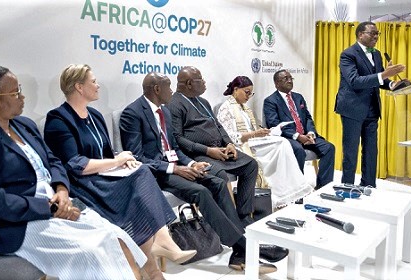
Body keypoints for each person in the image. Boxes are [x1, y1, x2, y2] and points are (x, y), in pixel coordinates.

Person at [0, 66, 147, 279]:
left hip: (59, 205)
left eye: (19, 89)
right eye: (15, 93)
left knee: (116, 236)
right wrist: (51, 207)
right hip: (21, 223)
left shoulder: (25, 125)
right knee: (90, 251)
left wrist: (62, 190)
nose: (23, 96)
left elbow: (54, 161)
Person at [120, 72, 287, 273]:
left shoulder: (164, 112)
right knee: (202, 192)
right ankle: (244, 247)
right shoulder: (133, 113)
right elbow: (137, 158)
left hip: (178, 166)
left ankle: (240, 246)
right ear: (157, 90)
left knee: (216, 183)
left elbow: (174, 149)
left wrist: (190, 164)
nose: (172, 90)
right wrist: (176, 168)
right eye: (168, 86)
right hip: (157, 174)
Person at [43, 64, 195, 280]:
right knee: (140, 186)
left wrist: (122, 159)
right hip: (83, 185)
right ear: (78, 87)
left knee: (140, 170)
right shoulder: (58, 119)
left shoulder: (94, 115)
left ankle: (153, 265)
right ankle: (156, 254)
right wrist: (115, 161)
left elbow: (106, 153)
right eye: (93, 81)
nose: (97, 86)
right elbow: (75, 165)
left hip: (106, 178)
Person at [166, 66, 259, 226]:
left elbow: (218, 126)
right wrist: (208, 150)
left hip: (220, 150)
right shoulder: (175, 104)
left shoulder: (203, 102)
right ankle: (231, 222)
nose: (204, 83)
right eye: (200, 80)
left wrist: (229, 143)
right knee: (220, 175)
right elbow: (178, 139)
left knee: (251, 165)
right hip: (198, 154)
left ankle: (243, 215)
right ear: (189, 83)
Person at [217, 76, 313, 208]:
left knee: (282, 142)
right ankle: (278, 193)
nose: (249, 96)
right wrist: (254, 134)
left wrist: (264, 131)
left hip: (253, 141)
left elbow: (254, 129)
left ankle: (284, 191)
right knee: (281, 144)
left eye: (251, 93)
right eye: (247, 92)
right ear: (236, 89)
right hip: (240, 145)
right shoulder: (226, 108)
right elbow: (228, 137)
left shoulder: (245, 108)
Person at [335, 21, 406, 187]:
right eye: (372, 33)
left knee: (371, 151)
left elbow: (379, 79)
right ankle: (347, 187)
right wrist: (384, 74)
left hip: (372, 109)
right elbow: (354, 81)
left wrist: (391, 84)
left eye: (377, 34)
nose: (376, 36)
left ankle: (368, 186)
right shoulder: (348, 54)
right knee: (351, 152)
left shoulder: (376, 54)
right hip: (352, 109)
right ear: (360, 34)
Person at [263, 69, 335, 189]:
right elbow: (274, 124)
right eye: (286, 78)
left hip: (306, 135)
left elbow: (307, 118)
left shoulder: (298, 97)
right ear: (277, 83)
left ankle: (323, 187)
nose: (290, 80)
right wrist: (297, 136)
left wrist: (311, 133)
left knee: (329, 148)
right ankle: (297, 188)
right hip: (288, 137)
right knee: (298, 151)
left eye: (291, 78)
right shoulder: (270, 101)